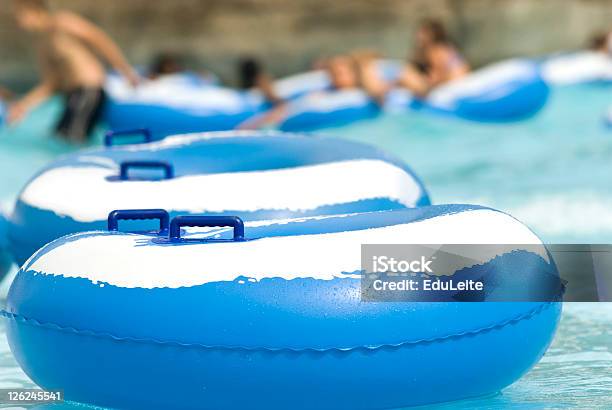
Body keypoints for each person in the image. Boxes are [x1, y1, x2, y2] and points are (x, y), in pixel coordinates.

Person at [9, 0, 139, 142]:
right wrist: (23, 105)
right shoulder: (42, 44)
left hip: (90, 92)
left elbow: (100, 40)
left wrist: (127, 72)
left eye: (19, 14)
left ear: (33, 10)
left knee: (71, 139)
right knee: (57, 137)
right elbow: (52, 84)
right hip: (73, 97)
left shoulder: (62, 22)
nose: (17, 21)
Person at [397, 19, 469, 96]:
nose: (418, 36)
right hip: (462, 83)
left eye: (423, 32)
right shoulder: (447, 48)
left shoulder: (437, 51)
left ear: (431, 35)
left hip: (454, 85)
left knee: (406, 73)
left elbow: (438, 76)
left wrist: (426, 81)